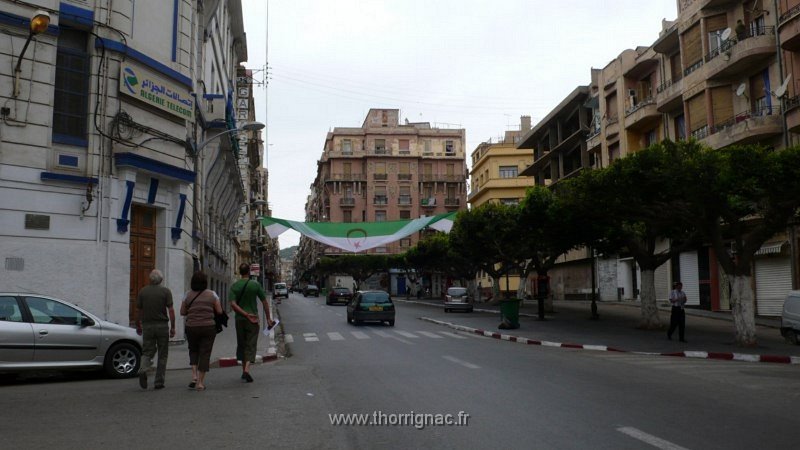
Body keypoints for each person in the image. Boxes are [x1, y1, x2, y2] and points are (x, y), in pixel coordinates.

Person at [230, 263, 275, 383]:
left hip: (239, 319)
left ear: (239, 272)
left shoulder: (234, 286)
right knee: (251, 344)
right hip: (253, 319)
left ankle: (243, 370)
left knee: (242, 344)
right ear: (249, 272)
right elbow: (265, 302)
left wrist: (244, 314)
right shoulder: (255, 284)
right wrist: (268, 318)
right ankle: (247, 370)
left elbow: (233, 304)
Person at [180, 271, 222, 391]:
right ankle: (200, 382)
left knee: (193, 350)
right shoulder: (212, 294)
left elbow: (182, 312)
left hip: (191, 327)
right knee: (205, 353)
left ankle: (194, 376)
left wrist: (193, 310)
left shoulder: (187, 295)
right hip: (208, 327)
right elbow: (219, 311)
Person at [136, 269, 176, 390]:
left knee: (147, 351)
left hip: (147, 326)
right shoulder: (166, 291)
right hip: (162, 326)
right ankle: (159, 382)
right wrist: (173, 327)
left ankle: (143, 369)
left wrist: (138, 325)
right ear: (161, 279)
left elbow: (139, 311)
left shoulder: (143, 291)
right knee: (163, 354)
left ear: (150, 279)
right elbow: (171, 311)